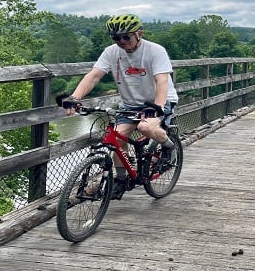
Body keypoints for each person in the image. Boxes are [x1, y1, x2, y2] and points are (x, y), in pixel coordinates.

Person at [61, 13, 178, 199]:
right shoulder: (111, 52)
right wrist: (75, 97)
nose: (122, 41)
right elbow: (94, 76)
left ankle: (168, 146)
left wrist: (157, 107)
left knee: (145, 126)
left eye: (126, 37)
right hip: (130, 104)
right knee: (116, 138)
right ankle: (122, 180)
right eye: (117, 38)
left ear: (139, 33)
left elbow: (162, 80)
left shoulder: (155, 51)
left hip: (158, 101)